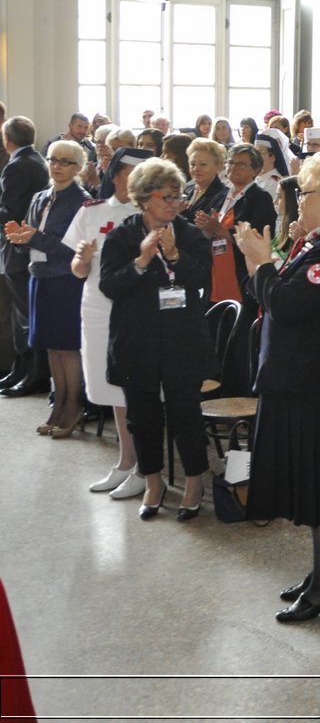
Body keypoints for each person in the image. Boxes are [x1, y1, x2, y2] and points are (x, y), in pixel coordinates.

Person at [235, 151, 320, 621]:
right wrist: (270, 263)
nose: (299, 200)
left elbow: (288, 306)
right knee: (309, 482)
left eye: (307, 192)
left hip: (318, 385)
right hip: (300, 380)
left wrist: (258, 264)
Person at [98, 158, 214, 520]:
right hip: (137, 339)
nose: (174, 203)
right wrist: (142, 262)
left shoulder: (191, 234)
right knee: (142, 416)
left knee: (185, 414)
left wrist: (176, 254)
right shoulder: (123, 236)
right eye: (167, 196)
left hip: (182, 339)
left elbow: (201, 283)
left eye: (178, 196)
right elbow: (109, 285)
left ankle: (195, 480)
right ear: (145, 198)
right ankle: (153, 480)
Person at [67, 147, 148, 494]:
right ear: (115, 175)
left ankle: (146, 467)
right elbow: (77, 269)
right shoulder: (92, 211)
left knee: (137, 388)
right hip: (98, 307)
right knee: (112, 388)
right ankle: (125, 461)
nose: (136, 181)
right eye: (130, 174)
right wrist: (83, 261)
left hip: (136, 309)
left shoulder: (153, 213)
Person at [7, 140, 91, 436]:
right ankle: (57, 404)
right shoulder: (40, 196)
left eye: (66, 162)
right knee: (51, 348)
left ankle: (73, 405)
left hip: (65, 279)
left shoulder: (81, 200)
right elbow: (32, 237)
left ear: (79, 167)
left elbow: (72, 250)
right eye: (54, 160)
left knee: (67, 348)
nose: (57, 166)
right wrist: (19, 239)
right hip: (39, 275)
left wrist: (33, 237)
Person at [0, 117, 49, 398]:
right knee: (22, 315)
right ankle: (21, 369)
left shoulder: (17, 165)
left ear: (8, 139)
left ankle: (33, 374)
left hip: (18, 247)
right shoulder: (36, 159)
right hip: (25, 247)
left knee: (26, 315)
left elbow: (11, 211)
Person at [180, 138, 228, 226]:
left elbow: (206, 228)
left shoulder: (223, 195)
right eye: (192, 164)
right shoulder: (187, 190)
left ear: (218, 166)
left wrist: (182, 212)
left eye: (203, 164)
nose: (196, 169)